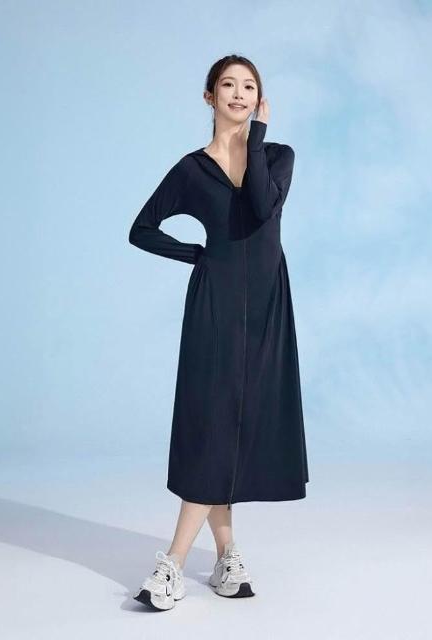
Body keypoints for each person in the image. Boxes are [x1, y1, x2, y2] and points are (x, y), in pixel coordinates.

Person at [129, 55, 309, 611]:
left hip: (269, 304)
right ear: (209, 97)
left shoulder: (277, 157)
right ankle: (174, 563)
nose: (238, 93)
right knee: (213, 421)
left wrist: (255, 139)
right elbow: (141, 229)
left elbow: (260, 206)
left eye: (248, 86)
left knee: (238, 423)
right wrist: (197, 255)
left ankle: (226, 554)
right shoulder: (192, 169)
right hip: (216, 304)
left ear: (259, 98)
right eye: (228, 85)